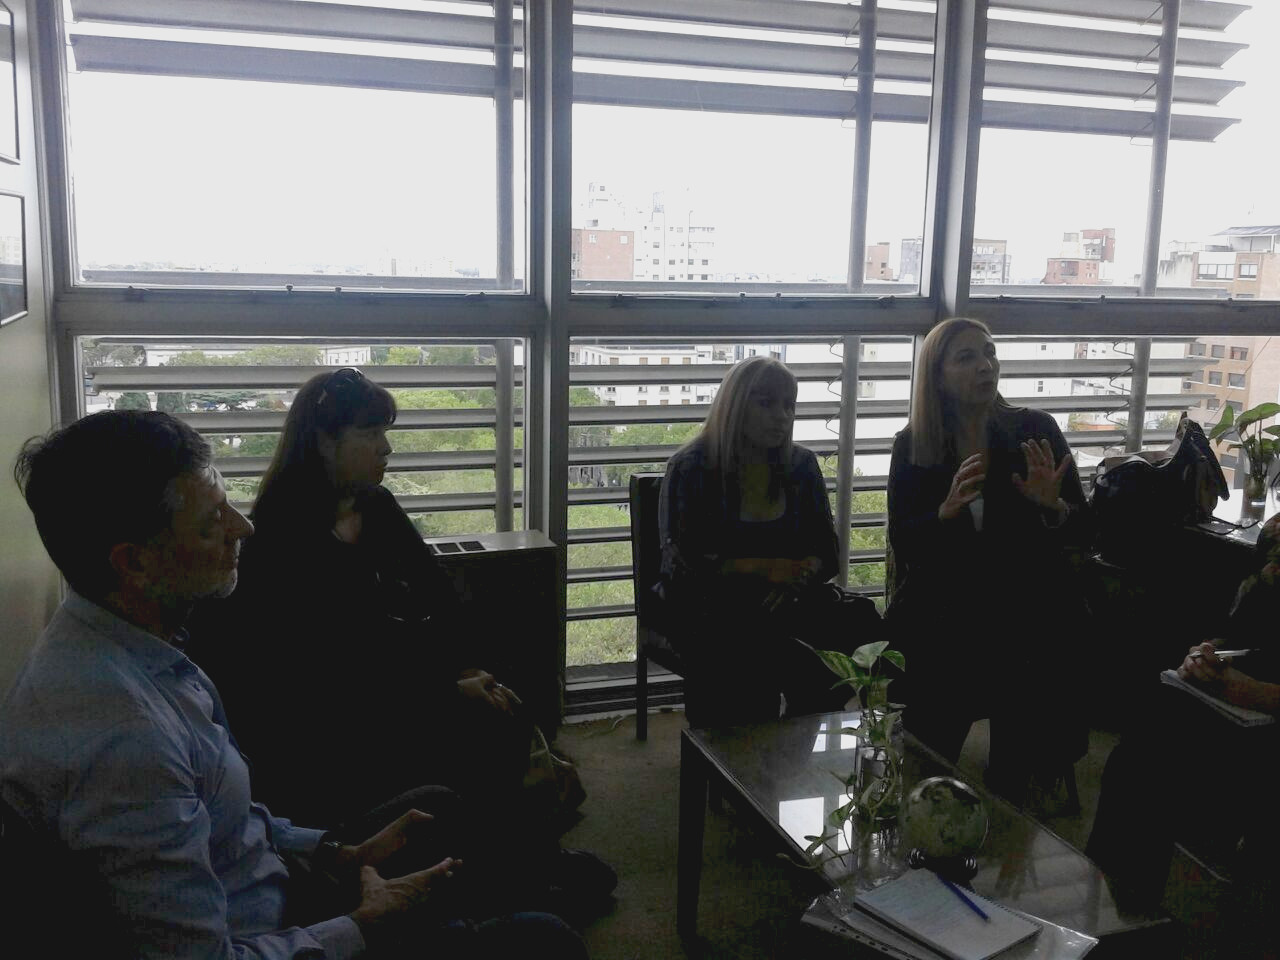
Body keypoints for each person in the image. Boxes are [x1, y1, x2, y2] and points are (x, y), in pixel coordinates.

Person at [0, 409, 588, 959]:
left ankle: (504, 897)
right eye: (211, 523)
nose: (243, 527)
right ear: (133, 562)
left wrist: (334, 852)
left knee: (440, 809)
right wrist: (362, 926)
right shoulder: (123, 739)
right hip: (276, 930)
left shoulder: (141, 642)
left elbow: (233, 818)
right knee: (547, 940)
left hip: (283, 877)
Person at [186, 368, 615, 918]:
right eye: (370, 434)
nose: (385, 448)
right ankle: (514, 875)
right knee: (486, 727)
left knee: (515, 685)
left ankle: (525, 856)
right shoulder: (281, 538)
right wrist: (447, 688)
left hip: (401, 679)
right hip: (342, 714)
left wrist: (467, 666)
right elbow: (338, 666)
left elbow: (440, 598)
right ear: (324, 441)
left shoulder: (378, 506)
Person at [885, 317, 1090, 803]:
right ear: (937, 377)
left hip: (1026, 610)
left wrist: (1054, 507)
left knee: (1023, 683)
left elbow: (1086, 528)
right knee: (928, 760)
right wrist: (943, 514)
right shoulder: (914, 444)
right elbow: (905, 542)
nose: (985, 366)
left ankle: (1015, 791)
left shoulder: (1034, 430)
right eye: (967, 357)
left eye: (990, 353)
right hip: (947, 613)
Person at [657, 355, 880, 727]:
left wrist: (795, 580)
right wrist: (765, 569)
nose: (782, 416)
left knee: (854, 628)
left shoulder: (801, 466)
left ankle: (805, 735)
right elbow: (682, 568)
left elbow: (827, 552)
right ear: (734, 408)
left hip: (791, 600)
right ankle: (731, 748)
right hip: (714, 607)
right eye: (766, 403)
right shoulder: (691, 468)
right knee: (749, 654)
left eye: (789, 405)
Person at [1087, 516, 1280, 927]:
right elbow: (1243, 636)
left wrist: (1256, 692)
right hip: (1239, 710)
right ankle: (1115, 910)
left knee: (1179, 777)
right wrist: (1209, 653)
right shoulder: (1270, 560)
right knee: (1138, 755)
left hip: (1263, 724)